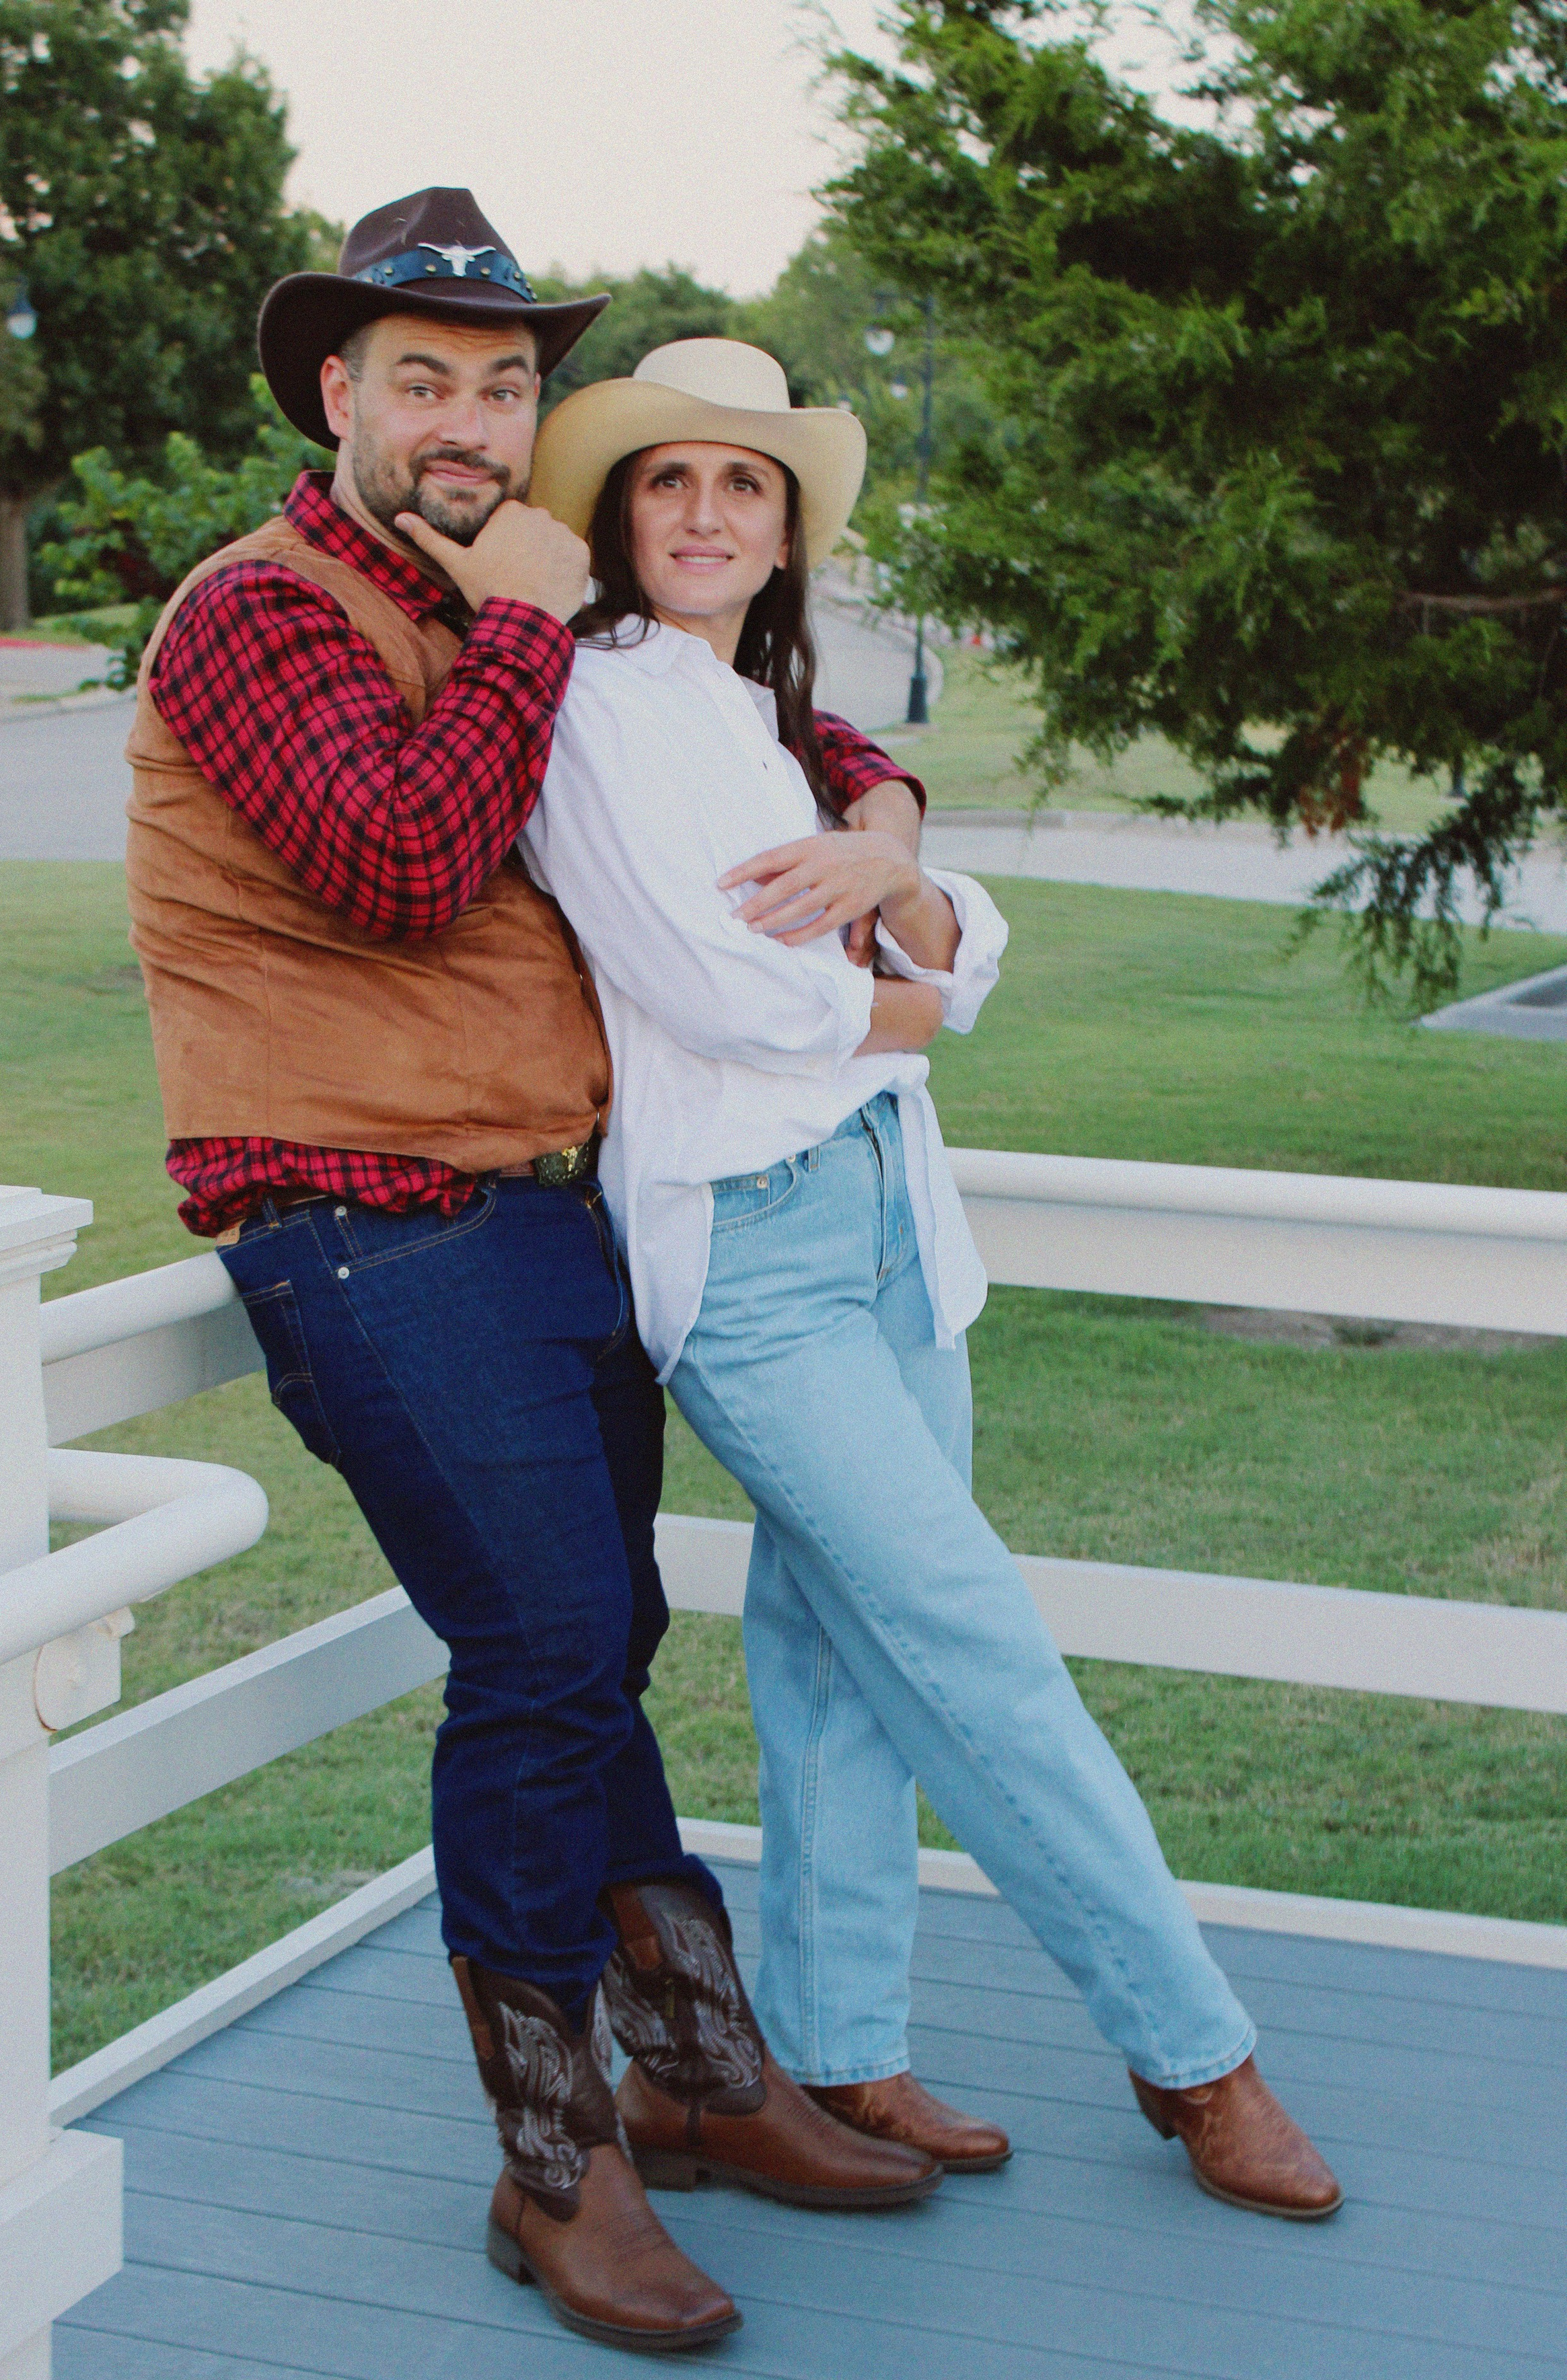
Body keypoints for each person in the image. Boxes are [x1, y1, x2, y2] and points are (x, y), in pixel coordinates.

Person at [123, 191, 953, 2361]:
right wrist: (510, 623)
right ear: (343, 397)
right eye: (427, 381)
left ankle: (700, 2075)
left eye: (504, 386)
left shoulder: (534, 616)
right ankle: (551, 2155)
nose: (471, 421)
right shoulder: (257, 613)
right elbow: (400, 865)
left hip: (544, 1207)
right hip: (361, 1223)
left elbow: (766, 721)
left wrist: (892, 805)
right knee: (550, 1642)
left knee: (603, 1643)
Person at [520, 338, 1344, 2221]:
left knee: (833, 1659)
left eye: (746, 484)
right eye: (670, 481)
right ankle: (1194, 2049)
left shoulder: (776, 719)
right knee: (979, 1643)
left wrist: (893, 892)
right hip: (750, 1258)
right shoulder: (591, 708)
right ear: (620, 514)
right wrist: (908, 978)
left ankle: (834, 2045)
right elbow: (741, 993)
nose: (709, 513)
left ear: (786, 525)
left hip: (894, 1219)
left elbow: (969, 937)